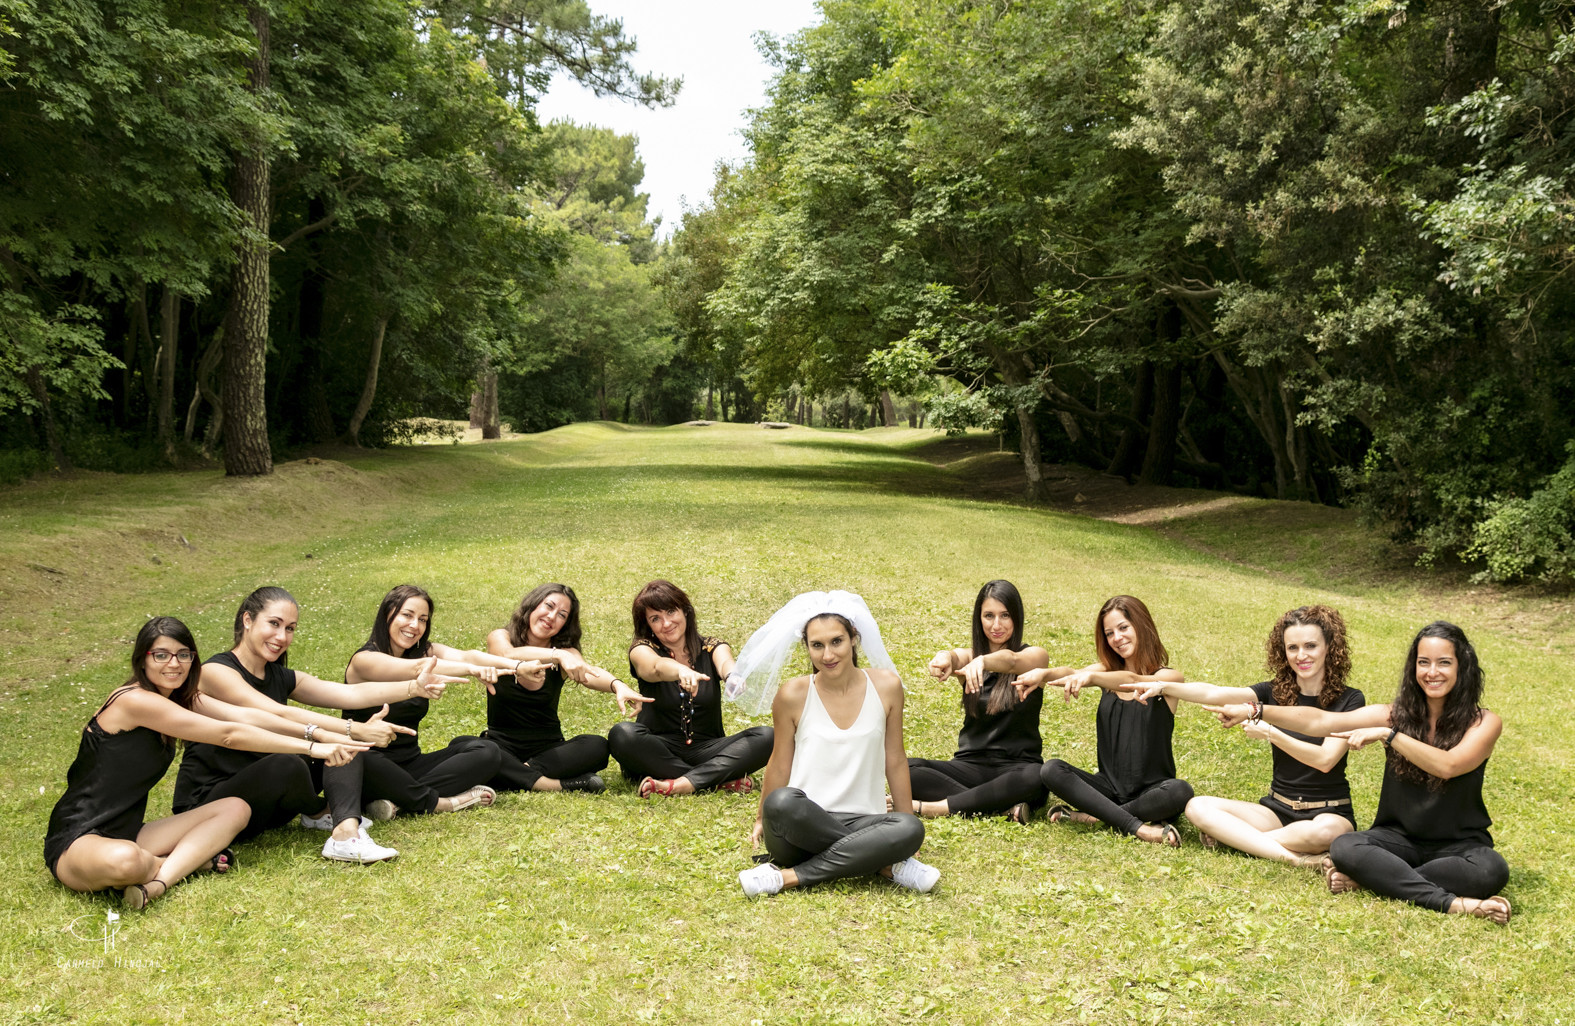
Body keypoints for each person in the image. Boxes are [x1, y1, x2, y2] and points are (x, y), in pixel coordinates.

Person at [46, 617, 367, 908]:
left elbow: (247, 717)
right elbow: (229, 734)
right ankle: (190, 861)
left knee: (235, 809)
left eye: (183, 655)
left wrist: (336, 732)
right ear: (142, 659)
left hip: (128, 830)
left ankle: (158, 883)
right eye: (161, 655)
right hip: (79, 838)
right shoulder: (135, 700)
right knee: (126, 862)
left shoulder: (179, 698)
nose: (174, 664)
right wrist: (313, 748)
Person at [1205, 621, 1511, 923]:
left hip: (1460, 845)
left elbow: (1449, 766)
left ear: (1462, 667)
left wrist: (1389, 736)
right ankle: (1451, 903)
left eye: (1444, 663)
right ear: (1413, 668)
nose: (1432, 672)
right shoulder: (1393, 714)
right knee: (1346, 846)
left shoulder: (1483, 722)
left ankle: (1373, 880)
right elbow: (1319, 722)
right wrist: (1255, 710)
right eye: (1423, 663)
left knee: (1491, 870)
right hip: (1397, 840)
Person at [173, 586, 454, 863]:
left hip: (268, 802)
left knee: (341, 748)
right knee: (290, 763)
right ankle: (321, 813)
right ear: (247, 620)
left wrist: (413, 688)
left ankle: (344, 830)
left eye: (290, 628)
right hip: (210, 804)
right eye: (274, 623)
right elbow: (275, 715)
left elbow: (349, 693)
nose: (282, 636)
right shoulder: (216, 672)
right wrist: (352, 729)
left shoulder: (280, 675)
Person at [1121, 605, 1363, 865]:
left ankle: (1238, 838)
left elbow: (1325, 760)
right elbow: (1213, 693)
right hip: (1277, 809)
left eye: (1310, 646)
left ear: (1329, 647)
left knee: (1328, 833)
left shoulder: (1350, 700)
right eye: (1292, 648)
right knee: (1197, 807)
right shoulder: (1274, 691)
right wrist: (1162, 686)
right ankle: (1298, 859)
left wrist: (1270, 732)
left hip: (1328, 811)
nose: (1301, 655)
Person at [731, 591, 937, 896]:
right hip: (801, 824)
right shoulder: (792, 695)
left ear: (853, 638)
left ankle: (785, 878)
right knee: (782, 803)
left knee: (910, 828)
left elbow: (894, 759)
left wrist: (905, 831)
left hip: (866, 821)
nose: (828, 655)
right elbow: (779, 763)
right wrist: (763, 816)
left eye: (836, 641)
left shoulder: (887, 687)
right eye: (817, 645)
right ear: (807, 647)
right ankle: (883, 864)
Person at [1012, 595, 1193, 846]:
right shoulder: (1104, 673)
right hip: (1107, 788)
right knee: (1052, 769)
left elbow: (1132, 678)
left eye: (1123, 628)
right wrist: (1044, 673)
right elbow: (1072, 673)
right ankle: (1134, 823)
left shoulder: (1169, 678)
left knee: (1181, 791)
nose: (1116, 638)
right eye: (1109, 633)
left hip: (1153, 792)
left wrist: (1093, 679)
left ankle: (1095, 817)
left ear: (1142, 626)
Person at [345, 585, 534, 819]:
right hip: (370, 766)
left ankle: (399, 802)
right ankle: (439, 801)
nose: (415, 625)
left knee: (486, 750)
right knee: (361, 757)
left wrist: (517, 667)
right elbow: (417, 669)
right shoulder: (364, 660)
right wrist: (473, 671)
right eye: (407, 615)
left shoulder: (423, 651)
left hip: (411, 765)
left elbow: (468, 655)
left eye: (423, 619)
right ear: (387, 614)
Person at [478, 583, 650, 793]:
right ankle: (552, 784)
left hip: (548, 750)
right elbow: (507, 655)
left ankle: (515, 774)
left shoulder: (566, 653)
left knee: (597, 746)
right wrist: (556, 655)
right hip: (501, 744)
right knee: (467, 746)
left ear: (565, 624)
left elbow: (587, 673)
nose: (551, 616)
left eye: (561, 615)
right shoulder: (501, 637)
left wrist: (617, 685)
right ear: (532, 606)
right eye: (548, 606)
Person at [608, 580, 772, 797]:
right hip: (657, 751)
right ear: (648, 626)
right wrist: (680, 671)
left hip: (708, 750)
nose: (666, 623)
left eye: (671, 611)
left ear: (685, 611)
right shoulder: (642, 650)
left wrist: (733, 677)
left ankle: (680, 784)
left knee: (767, 736)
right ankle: (712, 781)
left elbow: (725, 664)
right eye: (655, 619)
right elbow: (655, 667)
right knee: (623, 734)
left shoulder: (712, 646)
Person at [906, 580, 1050, 823]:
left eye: (1005, 615)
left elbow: (1012, 661)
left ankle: (936, 808)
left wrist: (984, 661)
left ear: (1017, 617)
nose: (996, 625)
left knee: (1038, 777)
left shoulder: (1035, 656)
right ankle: (1000, 808)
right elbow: (955, 656)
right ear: (979, 618)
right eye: (988, 616)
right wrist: (944, 657)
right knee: (906, 769)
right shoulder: (970, 657)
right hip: (969, 766)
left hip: (1016, 768)